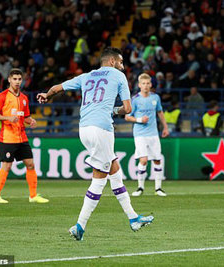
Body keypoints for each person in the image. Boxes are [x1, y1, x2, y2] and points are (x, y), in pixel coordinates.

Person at [36, 48, 154, 241]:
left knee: (114, 168)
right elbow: (128, 108)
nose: (123, 66)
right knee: (99, 179)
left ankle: (133, 218)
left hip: (84, 129)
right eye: (121, 62)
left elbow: (57, 88)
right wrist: (113, 111)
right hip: (102, 129)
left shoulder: (86, 76)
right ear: (113, 62)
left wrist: (46, 96)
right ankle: (80, 225)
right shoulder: (118, 75)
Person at [0, 68, 49, 204]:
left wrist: (31, 121)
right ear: (9, 80)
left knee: (30, 164)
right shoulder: (2, 96)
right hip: (8, 137)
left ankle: (33, 196)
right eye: (14, 79)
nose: (17, 82)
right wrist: (8, 118)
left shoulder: (24, 98)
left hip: (22, 137)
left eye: (19, 79)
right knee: (7, 166)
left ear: (22, 81)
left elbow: (25, 117)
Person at [125, 73, 169, 197]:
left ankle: (158, 188)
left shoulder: (155, 98)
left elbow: (160, 112)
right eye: (143, 83)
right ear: (139, 85)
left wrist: (165, 127)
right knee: (143, 160)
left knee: (157, 159)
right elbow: (127, 117)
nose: (145, 86)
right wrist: (139, 120)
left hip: (153, 133)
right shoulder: (135, 99)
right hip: (140, 134)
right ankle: (140, 187)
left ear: (151, 85)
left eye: (148, 83)